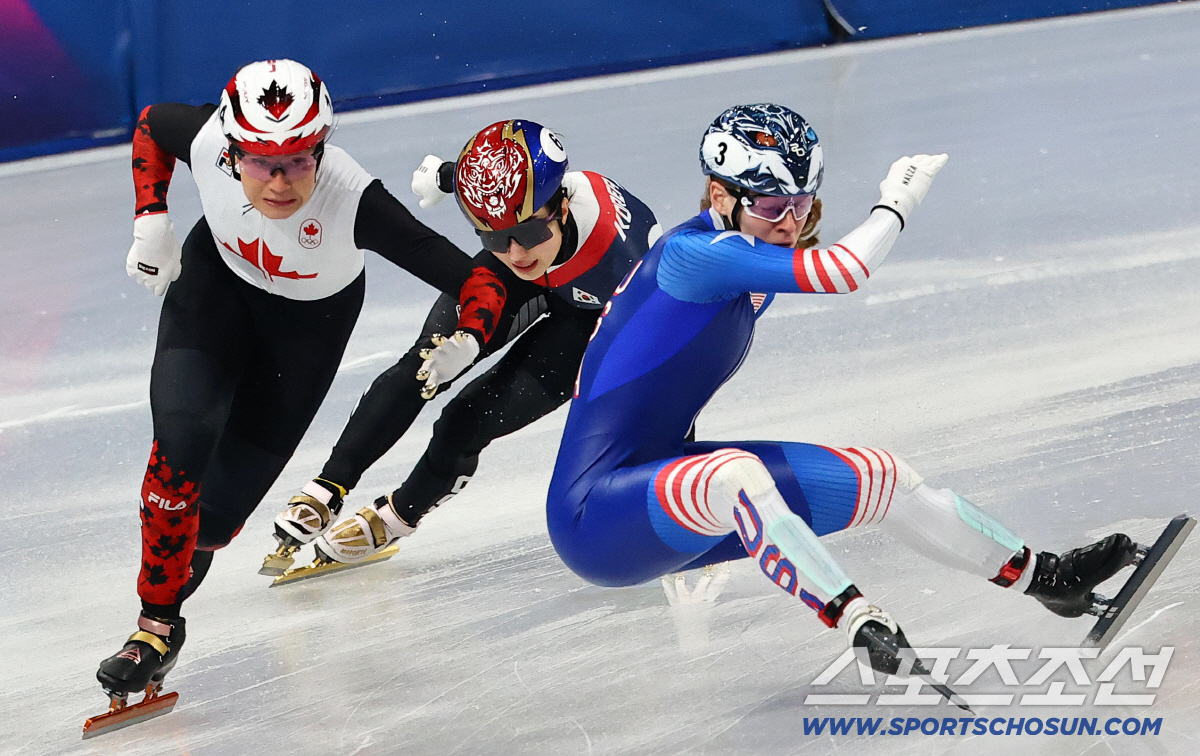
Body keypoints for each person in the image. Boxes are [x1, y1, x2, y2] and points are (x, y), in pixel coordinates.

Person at [544, 103, 1137, 674]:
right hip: (594, 516)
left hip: (663, 484)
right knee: (735, 475)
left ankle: (1047, 579)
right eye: (774, 205)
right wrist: (897, 202)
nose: (791, 223)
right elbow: (844, 271)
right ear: (721, 196)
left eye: (801, 204)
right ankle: (858, 620)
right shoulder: (695, 256)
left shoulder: (750, 252)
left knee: (885, 478)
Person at [94, 60, 508, 707]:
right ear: (231, 151)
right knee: (176, 460)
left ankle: (171, 592)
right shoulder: (205, 140)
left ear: (322, 148)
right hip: (214, 294)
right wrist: (152, 214)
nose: (282, 181)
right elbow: (151, 126)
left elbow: (479, 280)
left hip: (305, 333)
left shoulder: (352, 198)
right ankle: (155, 628)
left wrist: (473, 337)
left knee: (211, 526)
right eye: (261, 162)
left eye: (299, 160)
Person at [262, 119, 661, 572]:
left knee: (466, 422)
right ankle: (327, 487)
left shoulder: (628, 260)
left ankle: (395, 517)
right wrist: (448, 176)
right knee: (425, 366)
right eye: (492, 236)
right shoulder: (510, 213)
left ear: (563, 208)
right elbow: (487, 184)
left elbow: (666, 364)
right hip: (525, 283)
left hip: (596, 315)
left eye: (528, 233)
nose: (515, 251)